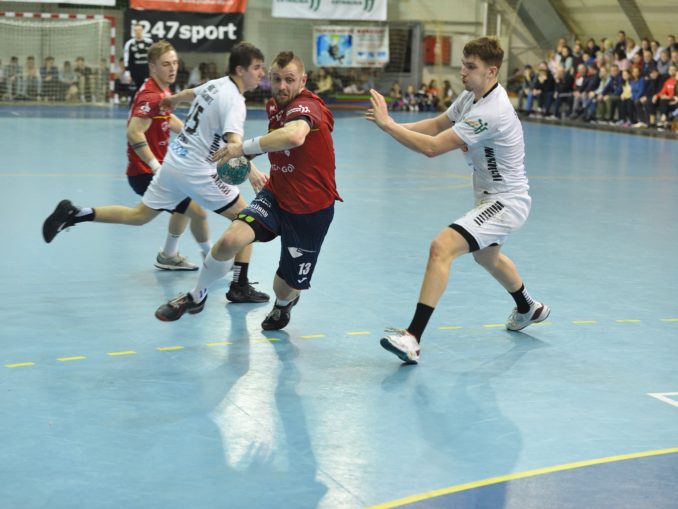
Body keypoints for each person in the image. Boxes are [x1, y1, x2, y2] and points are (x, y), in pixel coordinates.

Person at [366, 36, 550, 364]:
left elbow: (432, 147)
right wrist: (390, 127)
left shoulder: (491, 112)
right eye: (463, 65)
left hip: (506, 202)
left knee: (442, 247)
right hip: (489, 197)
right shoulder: (471, 96)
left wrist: (390, 125)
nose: (463, 72)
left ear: (491, 72)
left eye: (471, 67)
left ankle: (412, 338)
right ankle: (528, 307)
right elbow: (436, 125)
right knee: (487, 258)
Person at [42, 42, 271, 305]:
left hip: (174, 162)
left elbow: (189, 94)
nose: (261, 73)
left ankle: (75, 213)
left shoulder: (215, 84)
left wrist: (172, 100)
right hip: (197, 171)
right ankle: (239, 285)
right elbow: (234, 144)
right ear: (240, 70)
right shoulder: (235, 102)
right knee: (248, 220)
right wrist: (251, 170)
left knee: (139, 216)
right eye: (257, 68)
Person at [154, 51, 341, 331]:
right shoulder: (274, 106)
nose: (282, 86)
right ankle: (196, 296)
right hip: (276, 194)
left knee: (284, 286)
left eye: (290, 80)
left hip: (311, 210)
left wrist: (242, 149)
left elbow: (294, 136)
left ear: (303, 80)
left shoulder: (308, 106)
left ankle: (284, 304)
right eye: (276, 79)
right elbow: (276, 142)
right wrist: (247, 161)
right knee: (231, 240)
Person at [125, 40, 209, 271]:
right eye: (166, 64)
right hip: (145, 171)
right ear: (152, 67)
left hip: (158, 168)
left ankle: (169, 255)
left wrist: (194, 135)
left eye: (174, 63)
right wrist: (155, 166)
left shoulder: (162, 89)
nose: (172, 68)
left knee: (184, 205)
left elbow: (167, 118)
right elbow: (133, 132)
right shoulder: (151, 95)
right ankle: (212, 258)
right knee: (196, 212)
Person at [124, 23, 154, 100]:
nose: (138, 32)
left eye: (139, 30)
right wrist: (127, 72)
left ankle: (146, 105)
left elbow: (153, 57)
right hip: (135, 72)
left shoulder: (149, 42)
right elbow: (127, 58)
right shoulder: (129, 43)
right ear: (134, 31)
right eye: (136, 30)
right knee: (135, 92)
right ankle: (133, 105)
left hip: (146, 71)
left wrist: (154, 70)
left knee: (147, 90)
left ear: (142, 30)